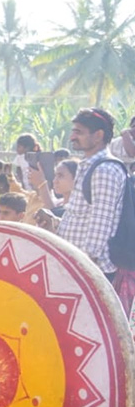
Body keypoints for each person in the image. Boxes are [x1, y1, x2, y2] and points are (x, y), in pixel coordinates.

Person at [35, 109, 128, 303]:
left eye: (79, 132)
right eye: (73, 131)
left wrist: (83, 270)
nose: (72, 136)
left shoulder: (105, 170)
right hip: (77, 268)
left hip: (90, 273)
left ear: (99, 135)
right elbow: (81, 218)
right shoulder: (89, 166)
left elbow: (100, 225)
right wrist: (56, 223)